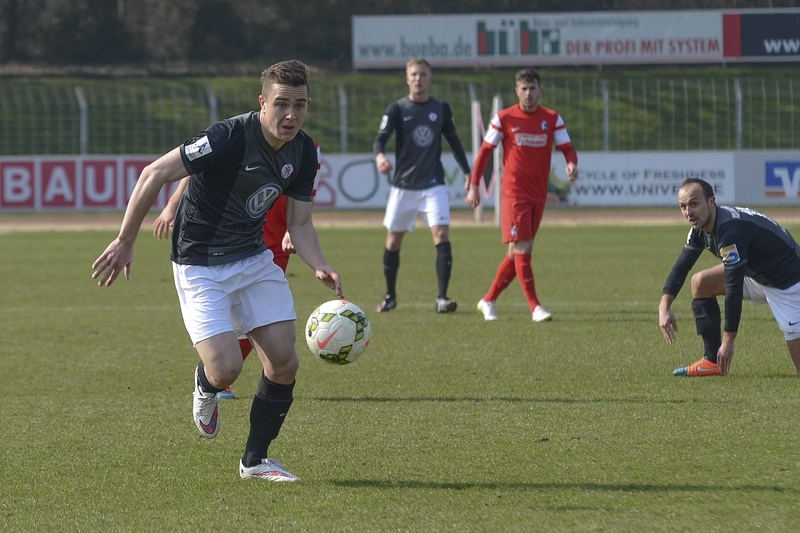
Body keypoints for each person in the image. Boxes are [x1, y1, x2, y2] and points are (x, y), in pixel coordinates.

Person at [92, 60, 342, 482]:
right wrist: (125, 239)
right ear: (262, 102)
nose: (290, 115)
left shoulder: (303, 151)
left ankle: (255, 461)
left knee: (284, 363)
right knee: (226, 369)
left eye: (299, 105)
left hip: (253, 258)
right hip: (200, 262)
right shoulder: (228, 136)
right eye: (281, 104)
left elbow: (300, 223)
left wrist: (319, 264)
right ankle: (206, 384)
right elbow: (155, 173)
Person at [153, 140, 321, 400]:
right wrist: (173, 203)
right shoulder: (237, 135)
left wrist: (292, 229)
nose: (290, 118)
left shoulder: (308, 146)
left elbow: (306, 192)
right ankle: (218, 373)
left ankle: (236, 378)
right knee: (232, 309)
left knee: (261, 314)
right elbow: (195, 167)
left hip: (277, 234)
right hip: (237, 231)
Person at [465, 68, 578, 322]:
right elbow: (485, 151)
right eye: (524, 89)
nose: (528, 93)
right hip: (514, 193)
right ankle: (535, 307)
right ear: (516, 91)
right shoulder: (504, 118)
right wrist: (474, 185)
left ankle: (488, 300)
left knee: (515, 254)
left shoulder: (551, 118)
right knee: (524, 247)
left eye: (532, 88)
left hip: (538, 193)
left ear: (540, 90)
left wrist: (572, 163)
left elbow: (567, 147)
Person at [659, 178, 800, 377]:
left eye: (694, 203)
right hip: (757, 274)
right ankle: (711, 361)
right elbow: (681, 267)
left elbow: (733, 289)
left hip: (788, 284)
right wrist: (664, 307)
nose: (688, 212)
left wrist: (728, 342)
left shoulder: (730, 231)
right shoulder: (699, 229)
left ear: (711, 201)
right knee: (701, 283)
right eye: (683, 206)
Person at [373, 57, 471, 314]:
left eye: (423, 74)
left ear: (430, 78)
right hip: (403, 186)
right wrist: (380, 156)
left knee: (441, 236)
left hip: (433, 185)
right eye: (414, 74)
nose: (418, 78)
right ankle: (390, 296)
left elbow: (454, 142)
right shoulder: (397, 108)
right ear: (407, 79)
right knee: (393, 241)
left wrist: (468, 172)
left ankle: (442, 298)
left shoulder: (441, 108)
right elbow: (381, 138)